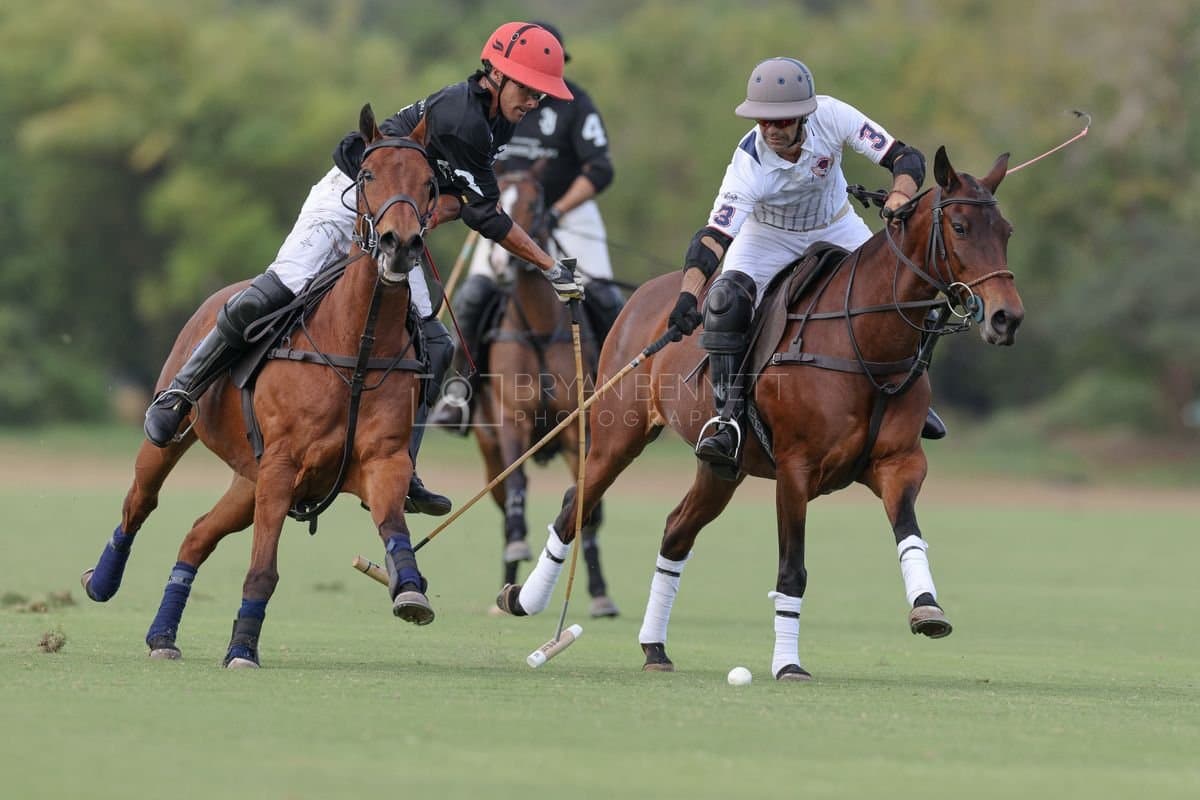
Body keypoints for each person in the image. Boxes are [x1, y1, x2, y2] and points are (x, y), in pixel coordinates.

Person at [142, 21, 585, 513]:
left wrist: (434, 210)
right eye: (529, 89)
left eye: (542, 95)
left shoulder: (500, 118)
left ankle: (404, 468)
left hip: (397, 219)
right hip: (349, 198)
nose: (534, 103)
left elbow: (463, 200)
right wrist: (549, 265)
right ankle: (181, 392)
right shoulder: (464, 117)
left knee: (434, 346)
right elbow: (488, 216)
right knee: (279, 287)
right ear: (497, 75)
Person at [665, 57, 946, 479]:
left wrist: (899, 195)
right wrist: (689, 293)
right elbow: (713, 238)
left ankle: (907, 398)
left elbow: (904, 158)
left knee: (898, 286)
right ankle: (726, 422)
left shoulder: (833, 115)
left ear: (805, 115)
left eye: (783, 120)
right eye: (764, 120)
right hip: (767, 237)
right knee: (724, 302)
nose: (772, 130)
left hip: (836, 225)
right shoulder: (748, 165)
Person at [429, 21, 622, 434]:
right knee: (475, 291)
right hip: (503, 209)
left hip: (566, 213)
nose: (540, 85)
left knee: (602, 293)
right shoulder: (495, 105)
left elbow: (600, 168)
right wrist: (477, 197)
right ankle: (459, 391)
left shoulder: (576, 105)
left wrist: (557, 210)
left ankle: (618, 391)